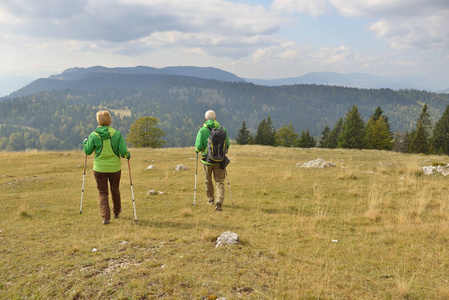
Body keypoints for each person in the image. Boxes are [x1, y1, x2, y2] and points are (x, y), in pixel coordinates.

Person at [83, 111, 130, 224]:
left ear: (98, 121)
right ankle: (117, 212)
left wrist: (85, 143)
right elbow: (124, 152)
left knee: (103, 192)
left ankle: (105, 218)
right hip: (115, 168)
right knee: (115, 190)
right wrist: (127, 155)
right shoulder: (117, 134)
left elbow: (88, 151)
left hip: (99, 169)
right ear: (110, 120)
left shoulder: (93, 135)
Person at [195, 110, 230, 211]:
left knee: (208, 180)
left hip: (207, 161)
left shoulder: (202, 130)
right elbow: (228, 144)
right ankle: (219, 200)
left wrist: (198, 150)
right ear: (215, 118)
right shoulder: (223, 130)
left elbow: (198, 147)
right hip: (220, 160)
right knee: (219, 181)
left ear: (206, 119)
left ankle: (211, 200)